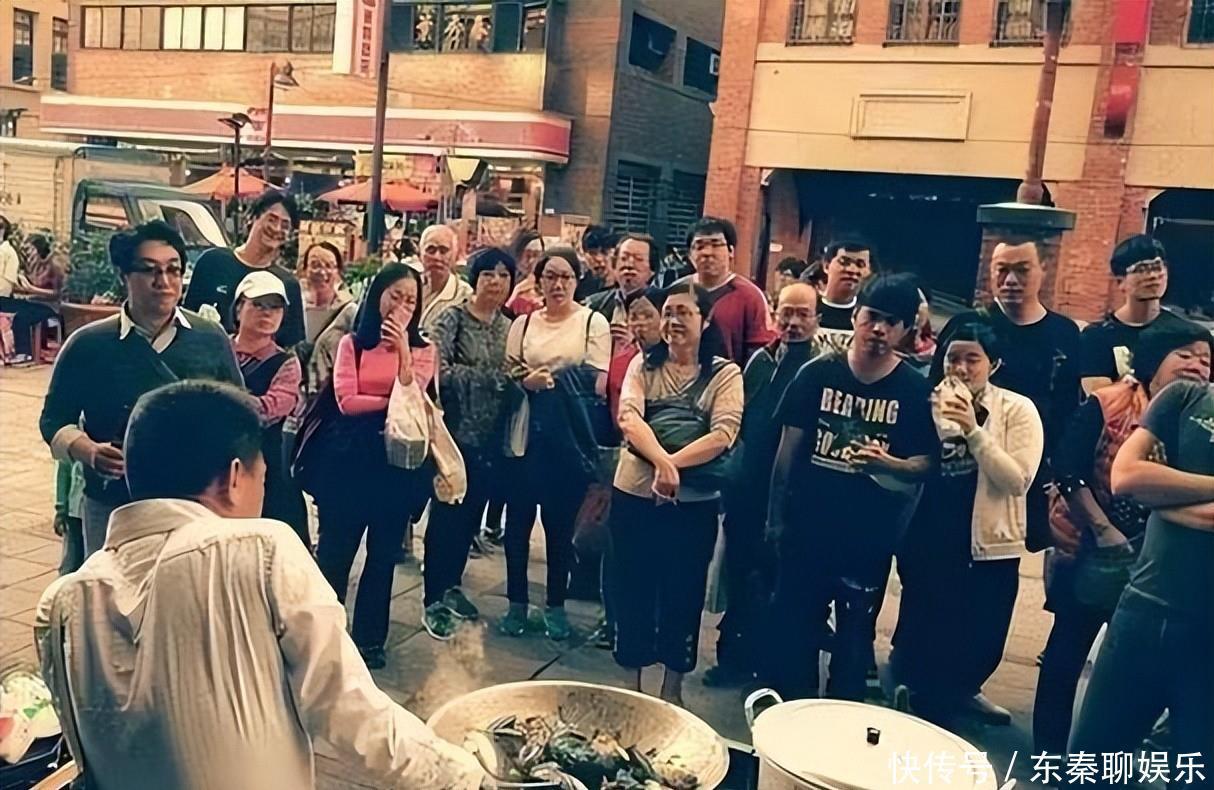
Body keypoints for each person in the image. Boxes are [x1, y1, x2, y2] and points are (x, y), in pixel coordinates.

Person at [35, 381, 484, 790]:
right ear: (235, 478)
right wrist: (463, 776)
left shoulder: (63, 602)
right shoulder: (258, 548)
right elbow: (348, 710)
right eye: (263, 478)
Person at [1033, 321, 1212, 756]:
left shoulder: (1194, 417)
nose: (1197, 365)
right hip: (1098, 546)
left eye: (1206, 359)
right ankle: (1049, 754)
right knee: (1071, 651)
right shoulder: (1119, 402)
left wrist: (1160, 497)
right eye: (1185, 354)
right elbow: (1098, 472)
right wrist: (1103, 530)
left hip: (1165, 572)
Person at [766, 273, 936, 700]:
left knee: (855, 639)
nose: (879, 329)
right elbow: (786, 454)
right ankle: (794, 713)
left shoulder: (914, 389)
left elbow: (927, 464)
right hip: (807, 527)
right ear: (856, 315)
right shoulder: (816, 374)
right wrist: (775, 519)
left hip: (868, 537)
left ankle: (843, 716)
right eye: (872, 317)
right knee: (794, 632)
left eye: (891, 322)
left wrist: (888, 464)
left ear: (905, 330)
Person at [39, 221, 242, 557]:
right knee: (110, 586)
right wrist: (89, 451)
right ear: (124, 276)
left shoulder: (211, 339)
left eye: (173, 269)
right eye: (149, 270)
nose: (163, 281)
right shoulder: (88, 344)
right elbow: (53, 420)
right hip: (112, 505)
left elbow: (237, 415)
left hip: (191, 505)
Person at [891, 322, 1044, 725]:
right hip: (933, 532)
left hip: (990, 539)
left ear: (994, 364)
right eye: (952, 358)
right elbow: (915, 463)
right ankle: (920, 698)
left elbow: (1017, 481)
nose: (960, 368)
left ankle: (963, 692)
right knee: (926, 621)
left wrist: (973, 431)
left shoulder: (1017, 410)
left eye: (972, 359)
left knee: (984, 632)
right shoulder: (928, 403)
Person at [1069, 377, 1214, 786]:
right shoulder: (1186, 397)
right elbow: (1126, 477)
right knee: (1090, 768)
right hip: (1141, 612)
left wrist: (1162, 496)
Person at [610, 281, 743, 704]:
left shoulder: (725, 373)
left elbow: (723, 434)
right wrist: (663, 464)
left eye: (684, 312)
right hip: (635, 495)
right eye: (668, 312)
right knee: (632, 587)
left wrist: (672, 464)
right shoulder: (642, 365)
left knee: (683, 593)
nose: (673, 320)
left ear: (705, 320)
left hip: (694, 504)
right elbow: (629, 418)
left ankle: (672, 689)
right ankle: (631, 687)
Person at [309, 264, 437, 669]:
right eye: (395, 296)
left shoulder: (424, 349)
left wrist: (403, 352)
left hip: (396, 465)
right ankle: (321, 633)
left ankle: (369, 639)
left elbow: (415, 390)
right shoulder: (352, 344)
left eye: (411, 300)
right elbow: (347, 400)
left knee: (382, 557)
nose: (402, 307)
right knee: (335, 552)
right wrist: (394, 403)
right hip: (348, 460)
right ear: (378, 295)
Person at [932, 236, 1081, 552]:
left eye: (1022, 270)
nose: (1011, 280)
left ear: (1043, 269)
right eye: (1002, 270)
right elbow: (935, 393)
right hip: (961, 471)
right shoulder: (966, 327)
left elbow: (1068, 411)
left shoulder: (1065, 333)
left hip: (1032, 471)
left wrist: (1059, 478)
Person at [706, 282, 820, 687]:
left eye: (803, 314)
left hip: (791, 494)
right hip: (746, 489)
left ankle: (767, 667)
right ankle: (733, 660)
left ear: (817, 319)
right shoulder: (760, 360)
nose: (793, 322)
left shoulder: (819, 369)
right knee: (739, 574)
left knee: (775, 582)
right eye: (787, 312)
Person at [501, 246, 611, 640]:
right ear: (539, 281)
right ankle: (516, 603)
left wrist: (556, 380)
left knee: (560, 526)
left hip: (566, 439)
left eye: (566, 276)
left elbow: (598, 381)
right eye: (550, 276)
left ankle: (556, 605)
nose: (558, 284)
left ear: (577, 280)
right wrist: (526, 380)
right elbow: (507, 371)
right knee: (517, 524)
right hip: (524, 434)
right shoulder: (523, 323)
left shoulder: (592, 322)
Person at [421, 247, 516, 640]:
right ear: (475, 279)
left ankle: (453, 585)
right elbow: (437, 371)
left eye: (504, 275)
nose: (496, 282)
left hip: (493, 438)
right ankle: (433, 597)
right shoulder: (453, 319)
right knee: (446, 516)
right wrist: (496, 379)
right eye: (488, 274)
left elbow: (517, 369)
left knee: (471, 516)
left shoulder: (510, 325)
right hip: (454, 435)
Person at [230, 271, 309, 547]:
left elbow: (274, 407)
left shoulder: (286, 363)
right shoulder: (218, 348)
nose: (267, 313)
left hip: (267, 466)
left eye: (275, 307)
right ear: (239, 308)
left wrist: (224, 401)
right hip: (216, 462)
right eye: (258, 304)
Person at [183, 190, 306, 347]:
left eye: (285, 225)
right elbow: (186, 320)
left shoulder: (288, 284)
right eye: (271, 219)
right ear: (252, 218)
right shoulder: (212, 262)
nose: (276, 229)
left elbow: (291, 344)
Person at [1079, 234, 1191, 395]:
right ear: (1120, 281)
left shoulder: (1187, 335)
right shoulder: (1097, 337)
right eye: (1141, 269)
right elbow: (1102, 400)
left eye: (1157, 267)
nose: (1152, 276)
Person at [678, 217, 775, 364]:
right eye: (699, 246)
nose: (707, 252)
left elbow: (759, 355)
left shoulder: (750, 296)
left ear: (731, 251)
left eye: (715, 245)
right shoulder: (676, 292)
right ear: (690, 255)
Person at [0, 216, 58, 363]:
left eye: (30, 249)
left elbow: (57, 294)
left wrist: (31, 289)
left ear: (39, 250)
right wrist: (21, 287)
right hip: (33, 301)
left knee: (22, 316)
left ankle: (24, 353)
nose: (27, 253)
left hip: (49, 306)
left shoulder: (53, 267)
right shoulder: (32, 267)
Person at [586, 232, 657, 343]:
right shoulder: (594, 305)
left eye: (638, 259)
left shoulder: (663, 306)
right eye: (624, 258)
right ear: (614, 266)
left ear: (652, 270)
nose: (629, 264)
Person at [812, 238, 875, 356]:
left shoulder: (871, 317)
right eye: (844, 262)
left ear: (868, 271)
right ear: (826, 265)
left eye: (860, 264)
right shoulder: (808, 309)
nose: (852, 270)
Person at [417, 224, 472, 332]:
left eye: (443, 250)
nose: (437, 257)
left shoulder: (464, 296)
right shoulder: (408, 286)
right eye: (430, 250)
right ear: (420, 254)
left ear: (455, 255)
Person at [505, 228, 545, 316]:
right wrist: (517, 290)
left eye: (536, 255)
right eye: (527, 255)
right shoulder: (504, 280)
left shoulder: (545, 283)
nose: (531, 261)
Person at [576, 224, 616, 300]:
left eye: (604, 252)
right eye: (592, 253)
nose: (599, 258)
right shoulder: (578, 289)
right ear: (583, 254)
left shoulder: (624, 290)